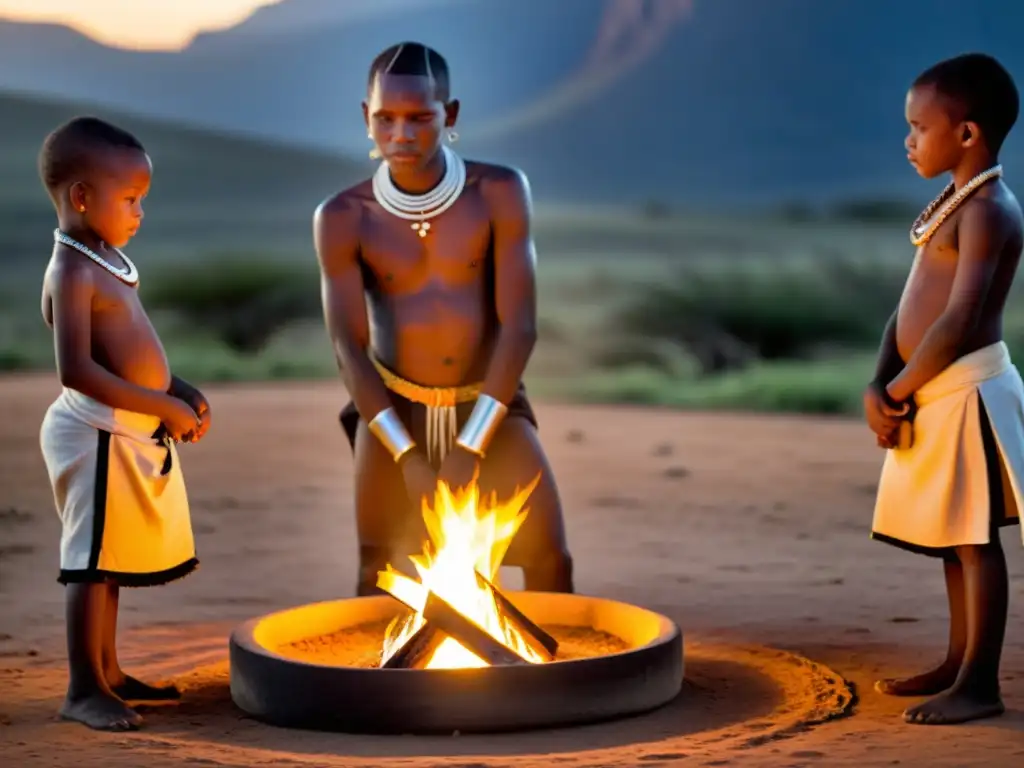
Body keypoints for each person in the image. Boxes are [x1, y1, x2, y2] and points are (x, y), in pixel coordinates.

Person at [314, 41, 574, 597]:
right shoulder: (342, 216)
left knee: (548, 558)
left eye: (419, 118)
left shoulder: (499, 192)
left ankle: (554, 682)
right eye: (385, 119)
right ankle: (382, 685)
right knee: (378, 570)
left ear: (449, 116)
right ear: (366, 118)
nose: (401, 135)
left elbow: (520, 326)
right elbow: (347, 348)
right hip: (391, 411)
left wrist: (470, 445)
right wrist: (405, 455)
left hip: (491, 403)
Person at [37, 116, 211, 731]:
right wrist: (163, 407)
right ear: (83, 197)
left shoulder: (106, 258)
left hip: (124, 431)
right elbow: (77, 370)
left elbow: (133, 347)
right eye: (131, 199)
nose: (140, 212)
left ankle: (108, 672)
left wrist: (177, 387)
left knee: (108, 558)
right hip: (94, 434)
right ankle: (83, 688)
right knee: (90, 562)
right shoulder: (74, 271)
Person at [864, 53, 1022, 726]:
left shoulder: (990, 210)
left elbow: (959, 319)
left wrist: (898, 388)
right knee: (951, 537)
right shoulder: (954, 206)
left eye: (918, 127)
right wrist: (881, 378)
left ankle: (980, 682)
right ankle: (958, 661)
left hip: (965, 394)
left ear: (966, 134)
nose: (908, 140)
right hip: (931, 391)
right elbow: (910, 308)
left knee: (974, 541)